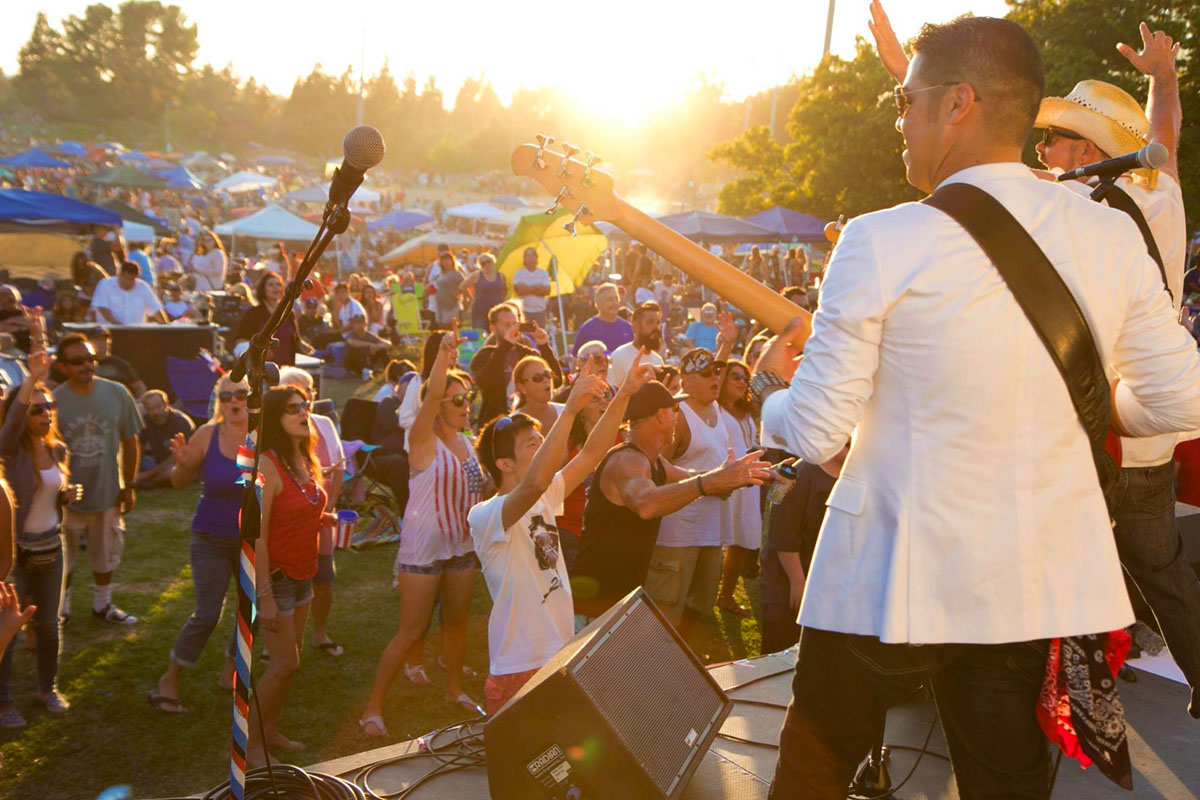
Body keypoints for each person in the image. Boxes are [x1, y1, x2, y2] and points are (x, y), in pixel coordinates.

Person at [757, 15, 1200, 797]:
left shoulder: (878, 240)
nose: (900, 119)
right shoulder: (1109, 236)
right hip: (1033, 589)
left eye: (906, 100)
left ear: (957, 102)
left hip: (885, 581)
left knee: (814, 774)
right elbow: (1180, 399)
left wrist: (772, 396)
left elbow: (819, 425)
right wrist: (1103, 409)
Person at [872, 0, 1200, 721]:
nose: (1044, 149)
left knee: (1120, 554)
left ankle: (1057, 686)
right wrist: (1165, 79)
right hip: (1123, 417)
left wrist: (931, 98)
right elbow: (1164, 140)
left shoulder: (1086, 205)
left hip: (1114, 420)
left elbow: (984, 178)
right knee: (1127, 556)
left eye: (1057, 139)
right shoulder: (1158, 192)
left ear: (1087, 149)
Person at [470, 352, 653, 713]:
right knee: (522, 761)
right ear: (505, 464)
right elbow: (535, 481)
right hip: (519, 665)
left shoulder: (544, 495)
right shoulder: (486, 515)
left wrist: (625, 394)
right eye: (531, 445)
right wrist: (568, 412)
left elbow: (592, 453)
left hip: (558, 651)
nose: (542, 448)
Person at [360, 325, 485, 736]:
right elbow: (430, 396)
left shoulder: (468, 442)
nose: (467, 406)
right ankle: (373, 706)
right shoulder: (421, 440)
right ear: (439, 406)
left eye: (469, 398)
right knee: (412, 630)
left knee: (457, 622)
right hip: (423, 547)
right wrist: (443, 359)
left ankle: (453, 690)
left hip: (461, 545)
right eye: (459, 400)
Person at [570, 381, 771, 621]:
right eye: (676, 410)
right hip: (593, 604)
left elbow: (693, 478)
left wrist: (751, 474)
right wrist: (711, 482)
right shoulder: (628, 461)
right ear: (660, 416)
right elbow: (647, 504)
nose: (679, 417)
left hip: (614, 599)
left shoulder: (653, 460)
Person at [150, 377, 249, 714]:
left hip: (250, 539)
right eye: (226, 395)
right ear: (219, 401)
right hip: (210, 536)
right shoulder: (208, 434)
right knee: (207, 613)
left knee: (250, 611)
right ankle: (170, 678)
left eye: (241, 394)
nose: (234, 401)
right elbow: (178, 483)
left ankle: (229, 671)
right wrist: (183, 461)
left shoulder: (262, 436)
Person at [246, 385, 330, 766]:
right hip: (276, 579)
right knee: (284, 664)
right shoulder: (266, 464)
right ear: (275, 418)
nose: (303, 413)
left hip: (304, 575)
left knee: (288, 664)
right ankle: (250, 747)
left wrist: (324, 517)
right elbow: (256, 537)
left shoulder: (303, 457)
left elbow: (300, 506)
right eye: (292, 408)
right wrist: (263, 596)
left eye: (305, 406)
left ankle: (271, 729)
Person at [0, 317, 67, 726]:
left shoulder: (56, 449)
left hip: (51, 544)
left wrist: (64, 495)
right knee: (8, 626)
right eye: (37, 408)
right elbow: (7, 432)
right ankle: (5, 701)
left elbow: (50, 493)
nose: (45, 413)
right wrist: (32, 379)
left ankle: (48, 687)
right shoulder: (10, 451)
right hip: (17, 552)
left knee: (47, 624)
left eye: (49, 407)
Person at [53, 333, 143, 625]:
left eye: (91, 359)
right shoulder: (53, 402)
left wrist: (128, 486)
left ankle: (102, 605)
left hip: (107, 492)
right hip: (63, 499)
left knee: (106, 553)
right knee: (61, 558)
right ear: (63, 366)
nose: (87, 365)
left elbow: (131, 442)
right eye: (77, 361)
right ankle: (60, 610)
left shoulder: (117, 393)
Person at [646, 348, 734, 636]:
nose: (716, 378)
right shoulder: (677, 415)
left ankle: (686, 662)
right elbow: (656, 467)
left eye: (717, 371)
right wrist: (710, 482)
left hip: (710, 528)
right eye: (706, 373)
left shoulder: (715, 408)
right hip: (679, 533)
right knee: (667, 611)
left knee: (700, 604)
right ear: (685, 381)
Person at [278, 367, 344, 658]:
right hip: (287, 524)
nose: (304, 403)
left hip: (319, 519)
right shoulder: (272, 432)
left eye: (308, 395)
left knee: (323, 579)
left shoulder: (324, 424)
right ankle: (280, 643)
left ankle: (319, 634)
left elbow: (339, 466)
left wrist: (326, 509)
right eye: (296, 396)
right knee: (284, 582)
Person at [758, 450, 846, 655]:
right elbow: (783, 536)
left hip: (826, 586)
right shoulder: (800, 474)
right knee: (782, 650)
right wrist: (798, 581)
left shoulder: (855, 475)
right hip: (788, 582)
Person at [714, 359, 760, 617]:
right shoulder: (714, 409)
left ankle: (726, 596)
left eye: (744, 377)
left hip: (748, 479)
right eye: (735, 377)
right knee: (715, 540)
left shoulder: (748, 409)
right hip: (724, 476)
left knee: (742, 540)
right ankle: (703, 596)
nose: (742, 381)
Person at [470, 303, 562, 426]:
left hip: (527, 422)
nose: (511, 329)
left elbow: (556, 381)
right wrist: (505, 346)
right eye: (506, 325)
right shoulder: (485, 355)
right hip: (496, 424)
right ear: (493, 328)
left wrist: (544, 346)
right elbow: (485, 382)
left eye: (514, 324)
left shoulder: (527, 353)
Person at [134, 390, 195, 490]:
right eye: (150, 409)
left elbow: (181, 454)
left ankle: (149, 483)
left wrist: (150, 473)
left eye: (158, 407)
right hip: (157, 463)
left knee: (170, 472)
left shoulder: (181, 422)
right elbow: (140, 447)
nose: (155, 412)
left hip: (181, 462)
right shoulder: (146, 421)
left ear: (166, 404)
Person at [90, 262, 168, 325]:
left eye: (132, 279)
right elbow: (102, 308)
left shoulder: (143, 287)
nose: (129, 282)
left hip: (136, 334)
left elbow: (156, 309)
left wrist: (166, 328)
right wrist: (119, 326)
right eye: (126, 278)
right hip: (109, 333)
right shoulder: (105, 284)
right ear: (119, 275)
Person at [609, 302, 665, 388]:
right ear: (636, 327)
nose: (656, 327)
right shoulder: (619, 356)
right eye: (650, 322)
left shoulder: (658, 360)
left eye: (658, 322)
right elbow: (611, 393)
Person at [572, 283, 633, 355]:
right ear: (598, 304)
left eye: (616, 299)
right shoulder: (587, 330)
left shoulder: (628, 328)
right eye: (610, 299)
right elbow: (576, 360)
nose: (615, 303)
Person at [512, 355, 563, 434]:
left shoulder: (566, 412)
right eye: (537, 377)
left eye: (547, 374)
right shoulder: (511, 425)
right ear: (522, 387)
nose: (546, 380)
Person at [462, 252, 507, 331]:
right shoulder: (477, 275)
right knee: (481, 334)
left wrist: (503, 300)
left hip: (497, 312)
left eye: (488, 261)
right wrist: (471, 298)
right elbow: (462, 286)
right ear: (480, 265)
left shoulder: (501, 276)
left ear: (493, 261)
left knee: (496, 335)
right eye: (483, 263)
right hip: (480, 311)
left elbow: (504, 290)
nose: (486, 264)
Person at [511, 247, 551, 327]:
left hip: (540, 311)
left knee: (540, 335)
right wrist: (536, 287)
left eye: (533, 256)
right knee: (526, 335)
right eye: (528, 256)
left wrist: (527, 288)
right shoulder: (518, 273)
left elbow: (546, 291)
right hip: (524, 310)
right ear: (524, 259)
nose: (531, 259)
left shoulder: (543, 273)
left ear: (536, 258)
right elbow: (519, 291)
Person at [432, 252, 466, 331]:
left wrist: (458, 293)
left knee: (449, 326)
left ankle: (452, 341)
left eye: (448, 260)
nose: (446, 262)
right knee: (440, 325)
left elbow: (464, 285)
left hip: (451, 304)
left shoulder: (456, 273)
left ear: (452, 261)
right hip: (440, 304)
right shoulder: (441, 274)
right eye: (444, 261)